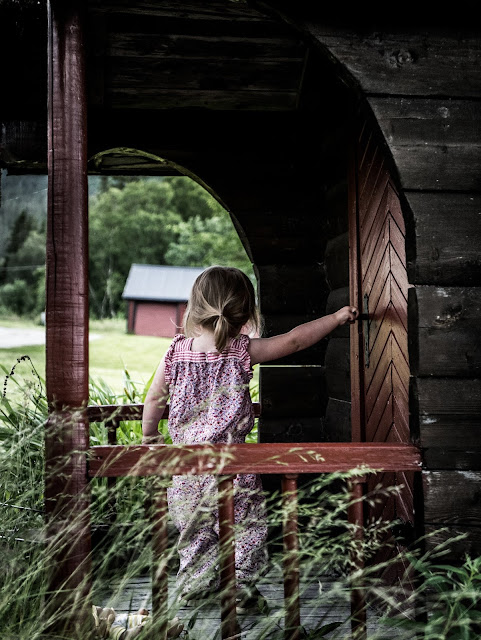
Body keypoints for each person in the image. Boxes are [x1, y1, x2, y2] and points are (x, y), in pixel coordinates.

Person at [142, 266, 358, 611]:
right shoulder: (241, 350)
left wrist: (150, 439)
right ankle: (242, 587)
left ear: (194, 307)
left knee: (193, 530)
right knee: (245, 528)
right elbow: (295, 340)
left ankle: (198, 585)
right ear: (244, 311)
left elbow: (154, 399)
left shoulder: (175, 352)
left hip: (187, 468)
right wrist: (335, 317)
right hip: (233, 464)